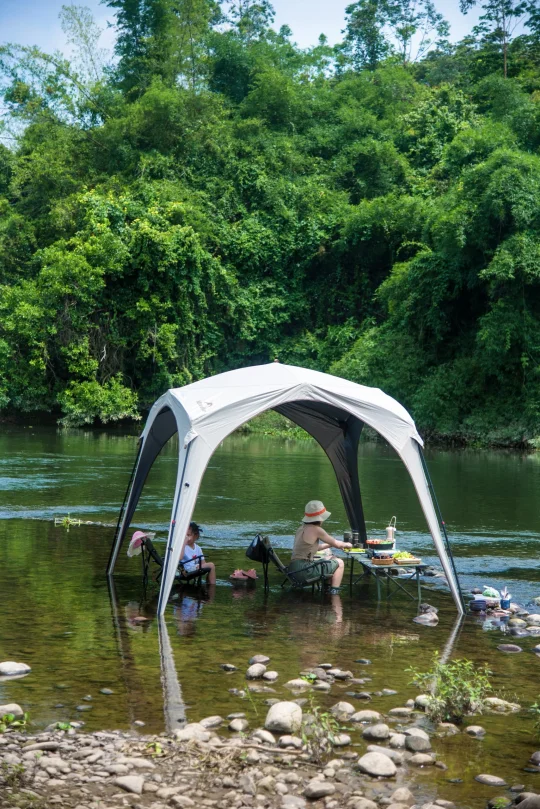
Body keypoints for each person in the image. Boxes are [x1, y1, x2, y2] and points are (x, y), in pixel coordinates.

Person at [288, 500, 352, 594]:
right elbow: (338, 544)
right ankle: (334, 593)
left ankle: (326, 589)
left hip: (294, 570)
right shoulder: (316, 529)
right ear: (320, 518)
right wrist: (347, 544)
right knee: (340, 563)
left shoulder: (301, 528)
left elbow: (313, 548)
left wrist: (330, 544)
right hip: (304, 571)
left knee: (331, 558)